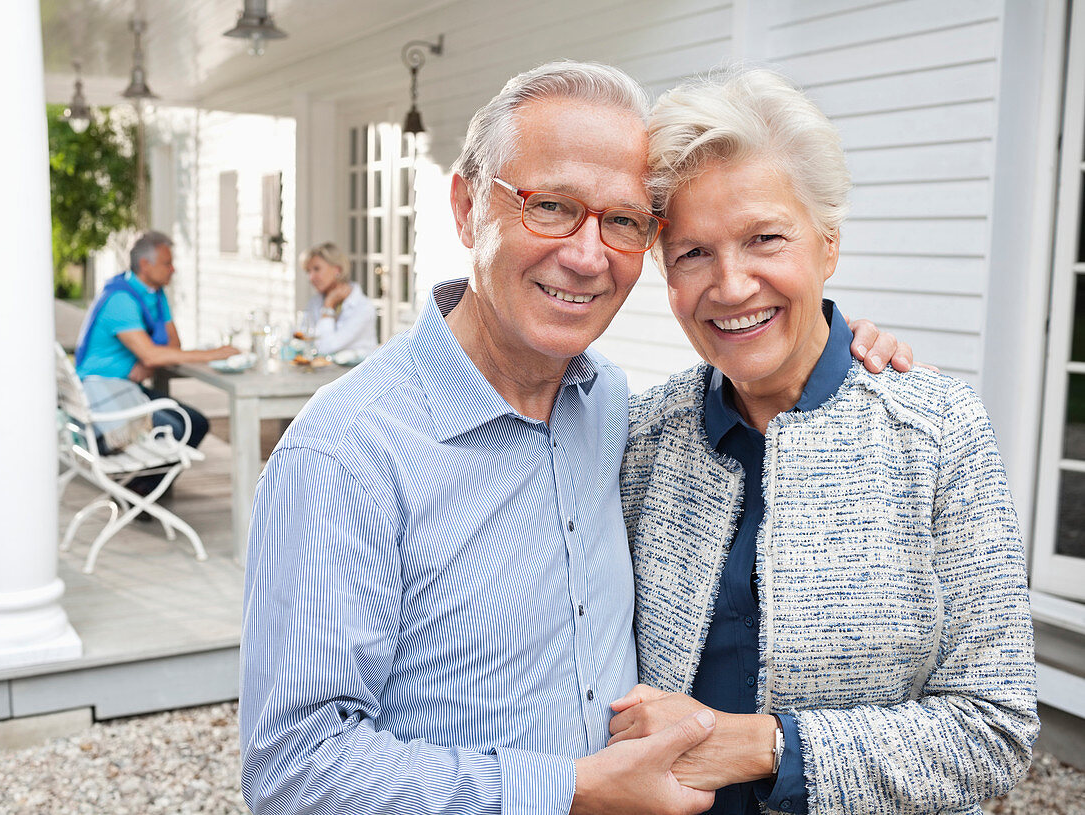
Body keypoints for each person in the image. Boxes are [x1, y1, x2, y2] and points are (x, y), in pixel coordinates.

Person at [239, 61, 907, 815]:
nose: (588, 256)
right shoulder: (347, 454)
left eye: (622, 221)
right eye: (551, 205)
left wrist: (843, 350)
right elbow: (294, 769)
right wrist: (572, 791)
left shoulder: (613, 409)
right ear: (466, 208)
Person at [610, 67, 1038, 815]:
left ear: (828, 244)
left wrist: (762, 743)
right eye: (693, 253)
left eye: (764, 238)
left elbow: (995, 728)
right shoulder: (642, 439)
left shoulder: (938, 432)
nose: (733, 284)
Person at [75, 231, 236, 453]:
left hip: (129, 386)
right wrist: (213, 354)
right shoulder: (120, 299)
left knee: (197, 424)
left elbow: (173, 346)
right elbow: (154, 354)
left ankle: (143, 484)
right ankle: (139, 484)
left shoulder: (156, 295)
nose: (173, 269)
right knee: (178, 428)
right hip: (103, 394)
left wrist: (149, 360)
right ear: (145, 265)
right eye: (167, 263)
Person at [300, 241, 377, 357]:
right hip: (325, 373)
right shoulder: (315, 302)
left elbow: (325, 348)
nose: (311, 277)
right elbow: (303, 341)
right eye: (308, 271)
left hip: (358, 373)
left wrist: (328, 307)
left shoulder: (363, 307)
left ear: (337, 270)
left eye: (316, 269)